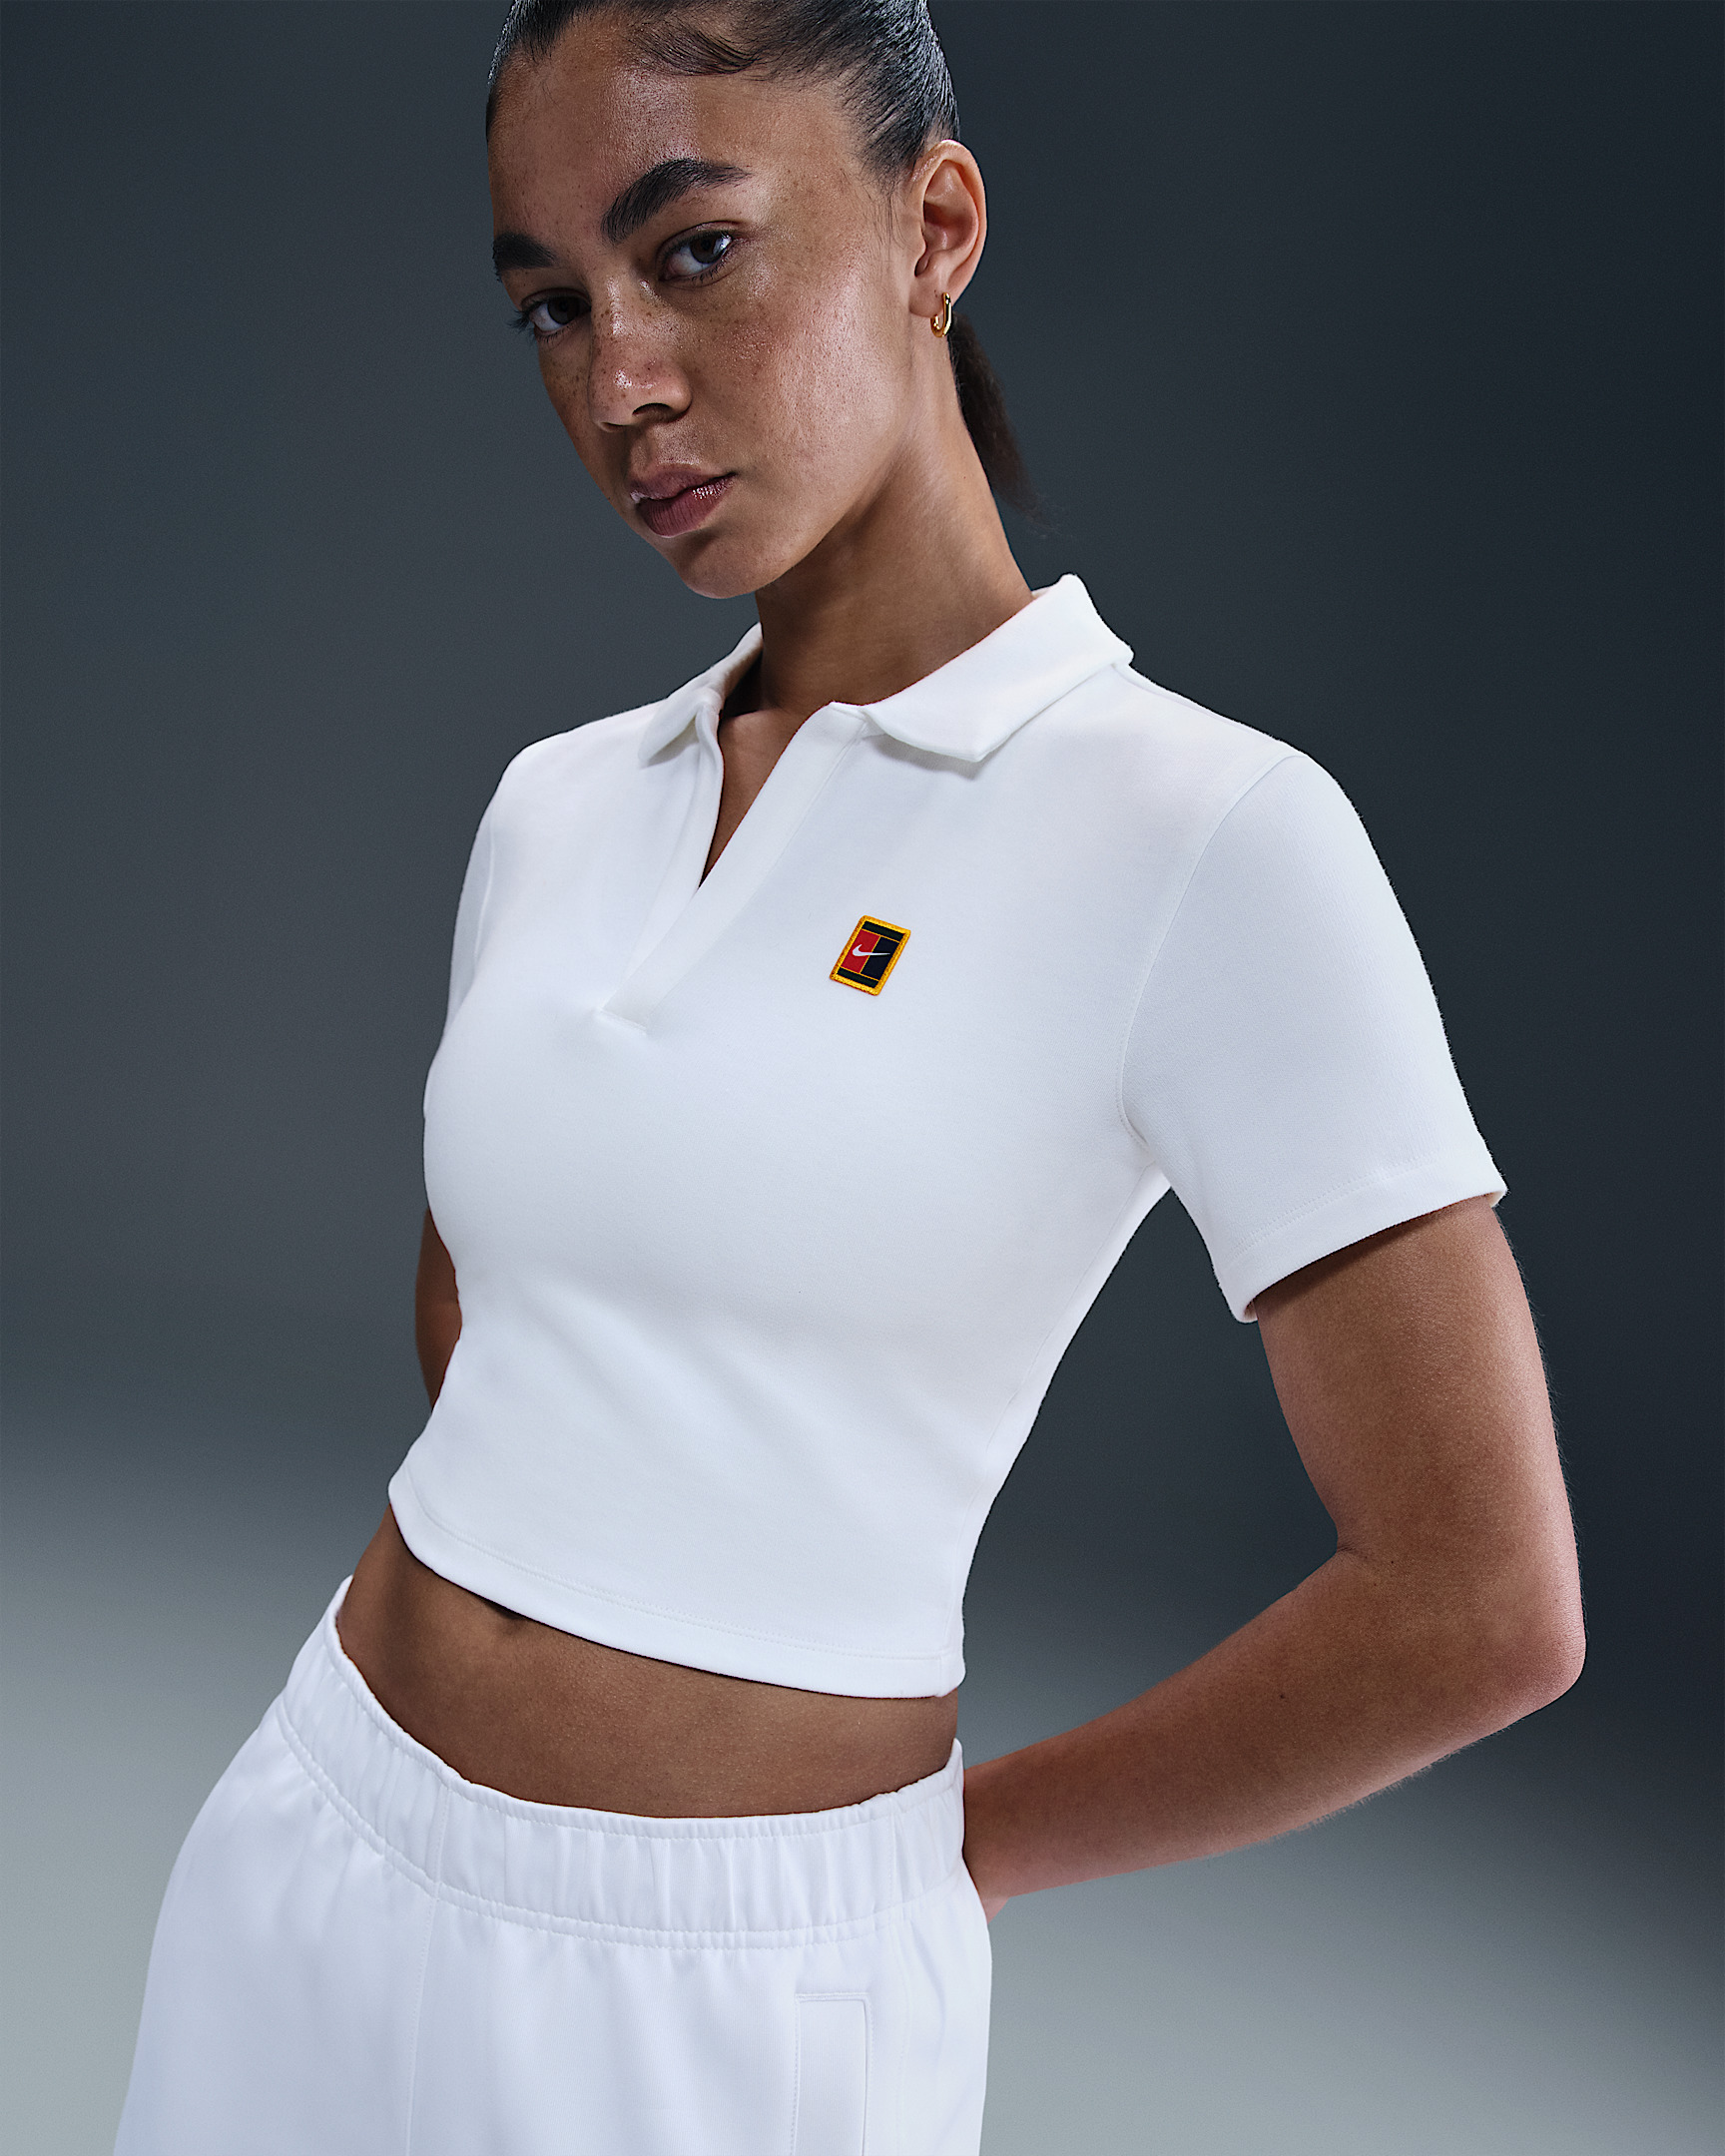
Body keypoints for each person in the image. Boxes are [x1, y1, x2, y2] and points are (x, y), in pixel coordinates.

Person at [115, 1, 1584, 2148]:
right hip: (314, 1850)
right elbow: (502, 1332)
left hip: (736, 2003)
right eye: (553, 305)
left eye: (693, 250)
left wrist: (923, 1860)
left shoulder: (1207, 837)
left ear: (936, 223)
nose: (621, 380)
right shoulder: (557, 803)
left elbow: (1479, 1604)